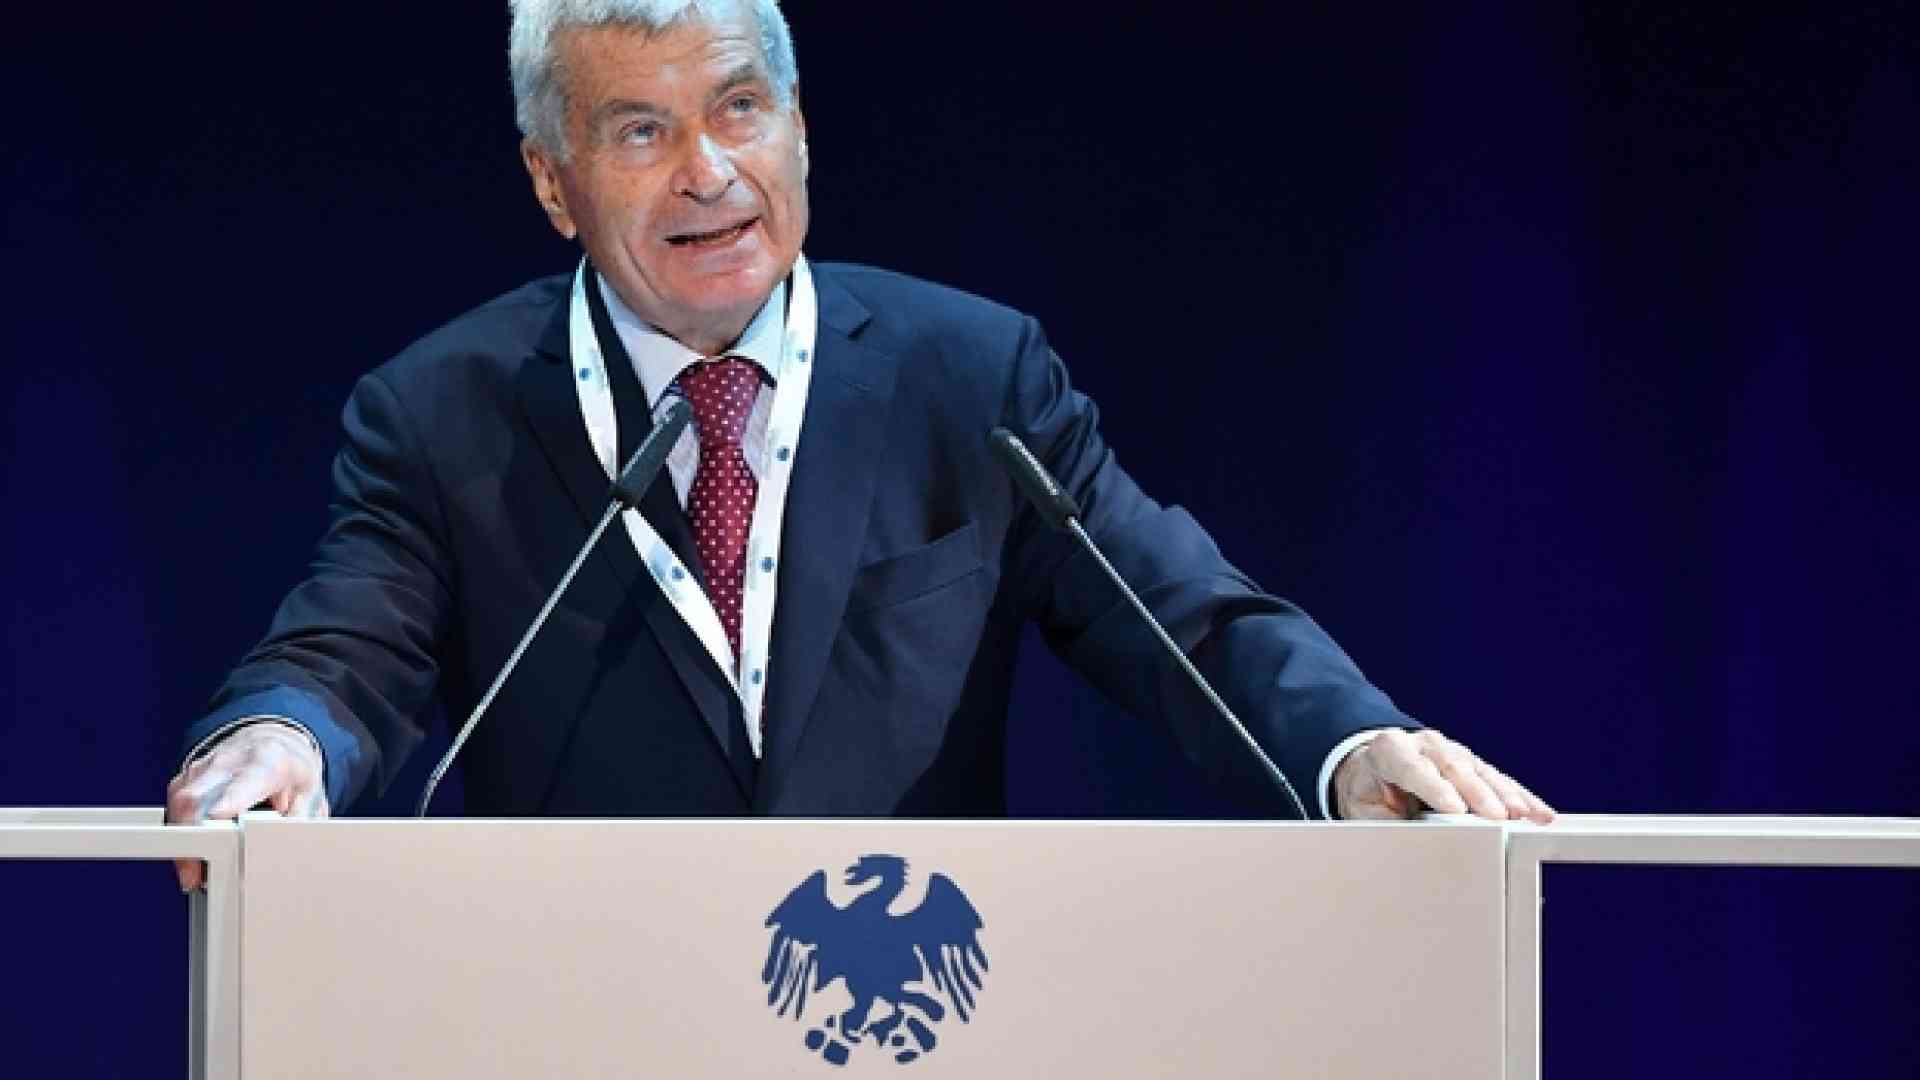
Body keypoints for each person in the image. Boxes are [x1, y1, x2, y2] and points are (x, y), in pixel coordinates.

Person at [166, 0, 1552, 890]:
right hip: (590, 1014)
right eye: (643, 130)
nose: (710, 171)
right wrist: (277, 741)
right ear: (552, 180)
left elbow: (1178, 615)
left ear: (801, 128)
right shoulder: (442, 410)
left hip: (903, 1012)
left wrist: (1349, 745)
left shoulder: (973, 377)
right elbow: (349, 648)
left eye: (740, 109)